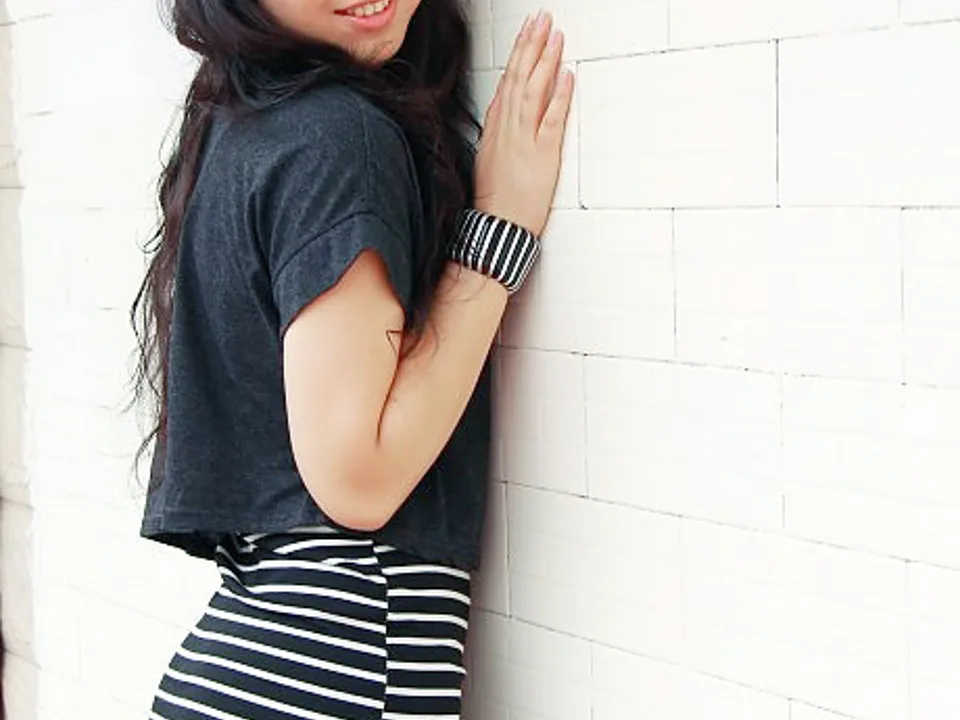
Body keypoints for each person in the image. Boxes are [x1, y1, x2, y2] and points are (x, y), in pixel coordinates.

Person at [132, 0, 573, 717]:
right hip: (328, 672)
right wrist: (497, 235)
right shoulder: (338, 136)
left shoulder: (243, 121)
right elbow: (357, 479)